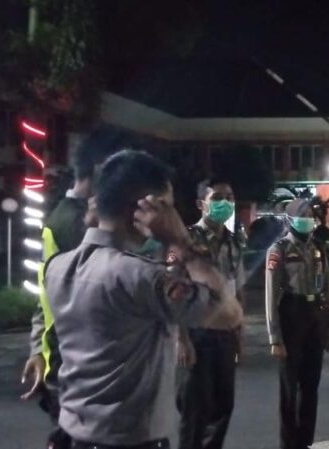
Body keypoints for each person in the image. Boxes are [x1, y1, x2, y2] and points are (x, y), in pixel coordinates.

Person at [43, 150, 243, 449]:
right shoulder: (140, 277)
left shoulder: (58, 267)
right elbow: (229, 313)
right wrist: (181, 242)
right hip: (130, 440)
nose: (171, 215)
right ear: (144, 207)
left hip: (76, 434)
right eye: (166, 207)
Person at [21, 128, 118, 449]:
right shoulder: (78, 223)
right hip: (78, 360)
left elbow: (43, 296)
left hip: (67, 355)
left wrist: (37, 350)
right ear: (100, 169)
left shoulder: (61, 218)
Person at [176, 177, 247, 449]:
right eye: (217, 198)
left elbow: (238, 288)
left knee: (222, 407)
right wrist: (181, 339)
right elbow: (173, 292)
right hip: (197, 334)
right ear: (201, 204)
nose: (225, 203)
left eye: (229, 197)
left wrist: (239, 331)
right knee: (195, 411)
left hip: (225, 334)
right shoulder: (186, 240)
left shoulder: (234, 241)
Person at [265, 198, 329, 449]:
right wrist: (275, 338)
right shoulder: (279, 249)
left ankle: (305, 442)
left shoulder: (317, 247)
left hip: (314, 315)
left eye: (310, 214)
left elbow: (326, 289)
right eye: (302, 214)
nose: (307, 219)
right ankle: (288, 444)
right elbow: (271, 296)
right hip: (291, 315)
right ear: (290, 219)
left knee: (310, 386)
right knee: (289, 388)